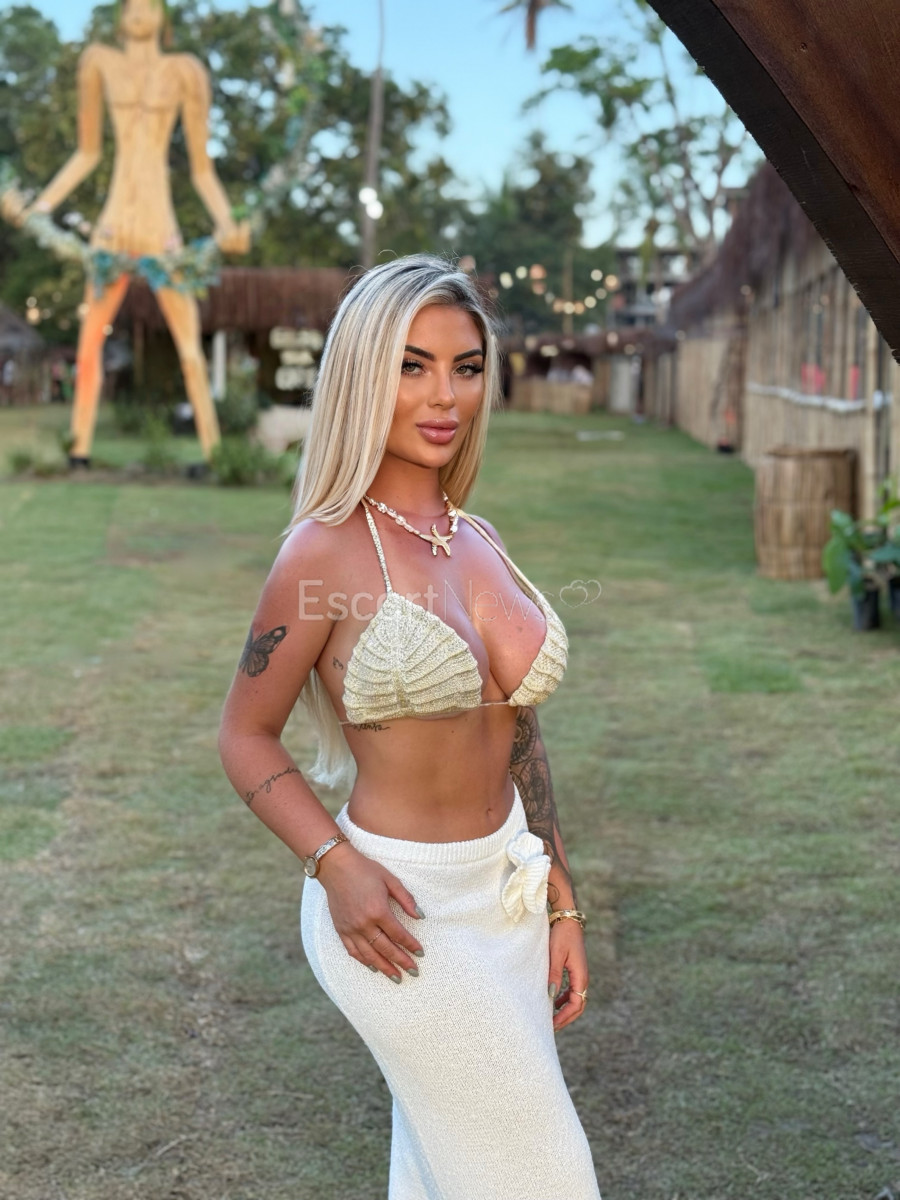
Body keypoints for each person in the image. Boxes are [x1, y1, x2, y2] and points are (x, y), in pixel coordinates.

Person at [218, 254, 601, 1200]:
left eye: (466, 368)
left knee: (440, 1175)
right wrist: (333, 865)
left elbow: (519, 734)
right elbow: (245, 735)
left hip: (506, 896)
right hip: (396, 913)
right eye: (412, 366)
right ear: (362, 375)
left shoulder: (481, 538)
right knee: (545, 1177)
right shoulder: (323, 550)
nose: (445, 396)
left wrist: (559, 893)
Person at [5, 0, 248, 465]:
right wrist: (39, 208)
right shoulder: (100, 62)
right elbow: (87, 152)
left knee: (189, 347)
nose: (138, 12)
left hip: (161, 230)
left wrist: (227, 223)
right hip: (113, 226)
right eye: (130, 4)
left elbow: (202, 170)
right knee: (89, 345)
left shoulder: (183, 71)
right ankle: (79, 449)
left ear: (162, 15)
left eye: (148, 4)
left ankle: (215, 453)